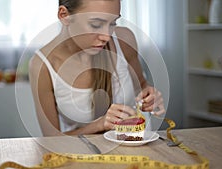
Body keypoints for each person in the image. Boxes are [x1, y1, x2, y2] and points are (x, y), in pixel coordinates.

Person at [29, 0, 165, 136]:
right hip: (84, 154)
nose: (106, 36)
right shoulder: (42, 65)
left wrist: (149, 96)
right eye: (96, 24)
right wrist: (99, 125)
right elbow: (52, 139)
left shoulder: (124, 40)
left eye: (112, 23)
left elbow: (140, 85)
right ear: (64, 15)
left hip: (137, 148)